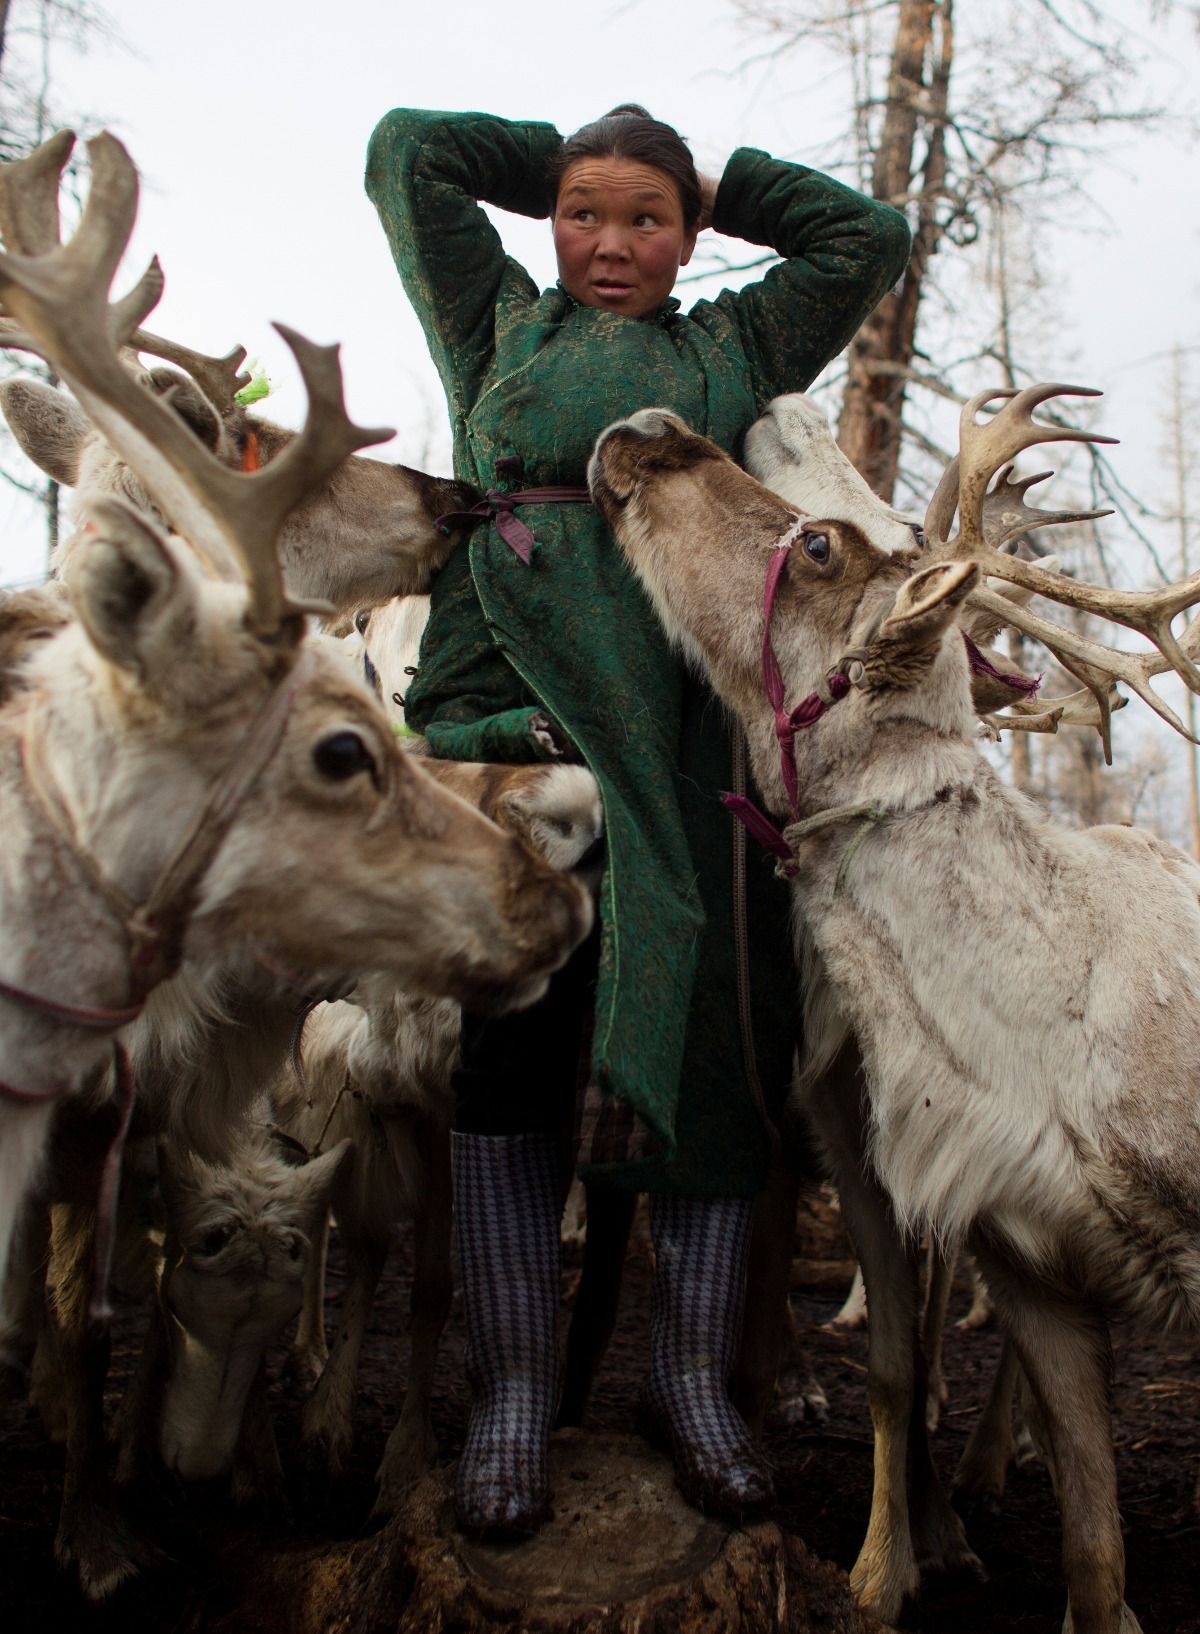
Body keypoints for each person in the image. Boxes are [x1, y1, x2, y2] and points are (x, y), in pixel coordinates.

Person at [365, 103, 911, 1540]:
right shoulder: (493, 329)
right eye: (586, 212)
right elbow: (405, 152)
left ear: (690, 235)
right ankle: (512, 1390)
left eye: (647, 218)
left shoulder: (727, 349)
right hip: (521, 752)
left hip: (690, 762)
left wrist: (722, 182)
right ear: (551, 220)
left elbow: (872, 235)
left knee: (718, 1061)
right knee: (513, 1058)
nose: (613, 243)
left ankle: (688, 1379)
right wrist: (550, 150)